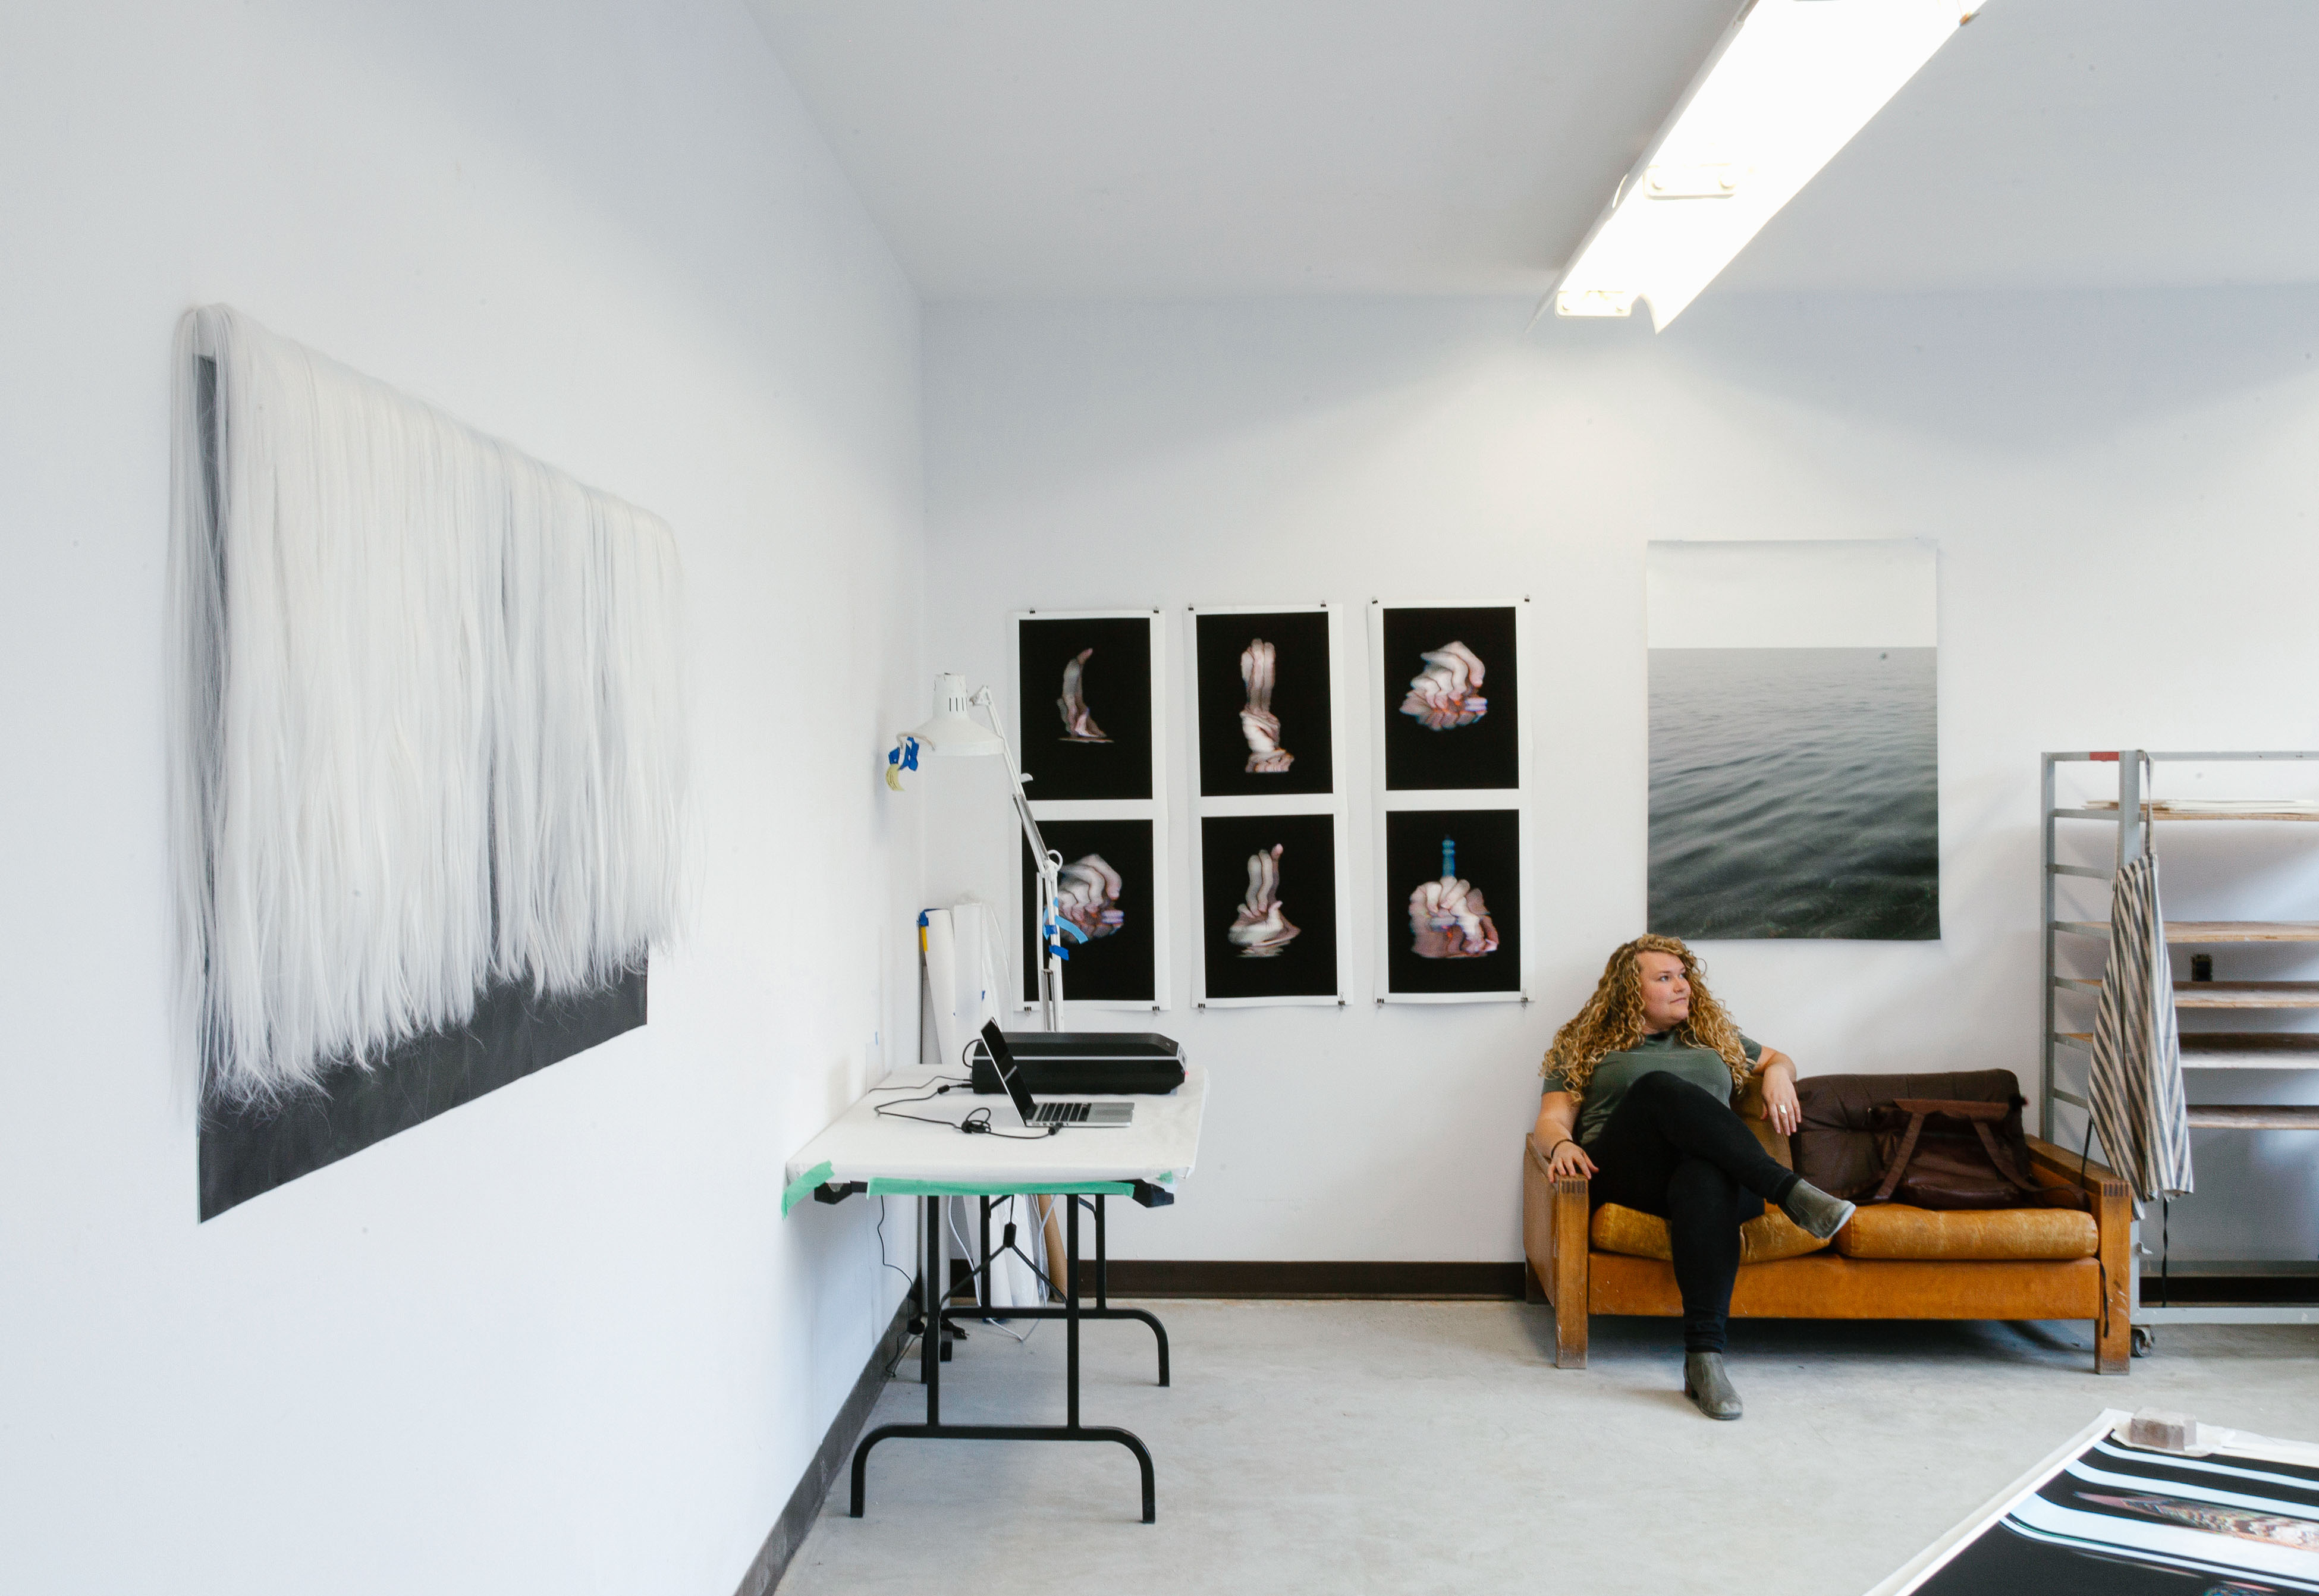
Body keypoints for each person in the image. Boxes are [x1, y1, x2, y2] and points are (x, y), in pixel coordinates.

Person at [1532, 934, 1855, 1420]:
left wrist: (1778, 1073)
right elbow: (1552, 1120)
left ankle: (1704, 1361)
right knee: (1660, 1088)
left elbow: (1776, 1057)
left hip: (1713, 1181)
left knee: (1704, 1174)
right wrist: (1560, 1144)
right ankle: (1789, 1193)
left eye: (1684, 975)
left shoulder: (1712, 1034)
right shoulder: (1585, 1042)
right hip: (1629, 1174)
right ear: (1629, 991)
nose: (1683, 986)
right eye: (1666, 978)